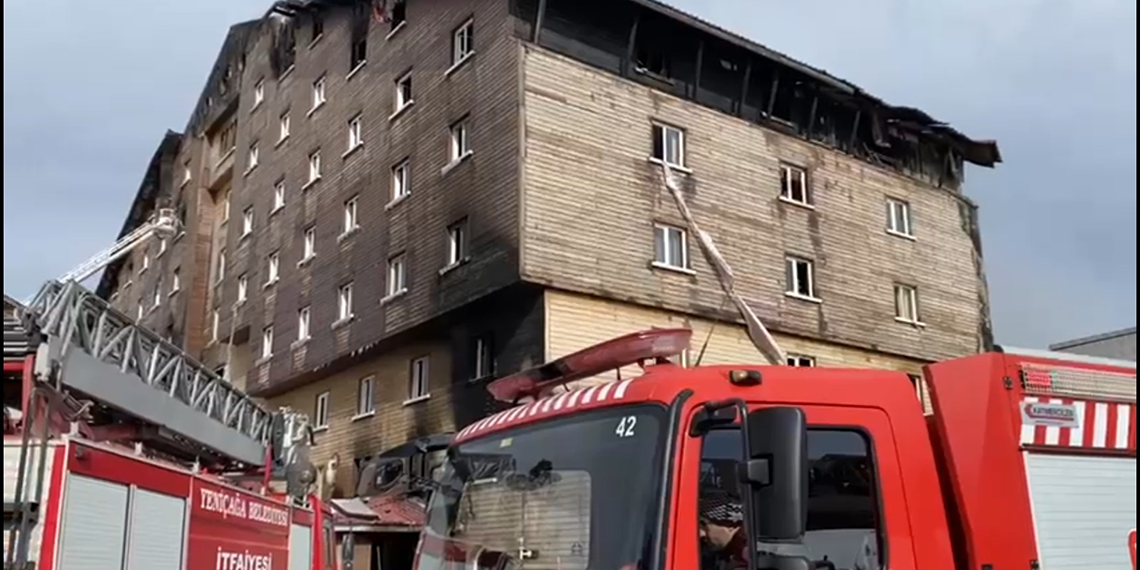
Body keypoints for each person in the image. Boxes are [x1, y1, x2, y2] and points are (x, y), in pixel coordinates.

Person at [698, 488, 749, 569]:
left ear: (730, 526)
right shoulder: (729, 556)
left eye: (704, 524)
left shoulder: (751, 555)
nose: (701, 534)